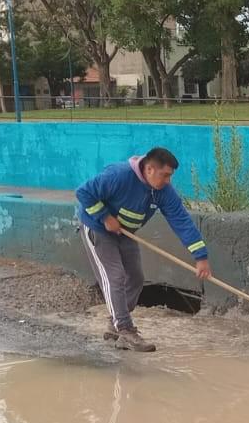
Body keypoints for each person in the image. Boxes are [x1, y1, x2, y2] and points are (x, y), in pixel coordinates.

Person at [76, 147, 212, 352]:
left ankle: (115, 322)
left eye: (170, 176)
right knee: (115, 277)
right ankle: (125, 330)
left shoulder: (163, 191)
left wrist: (200, 257)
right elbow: (83, 192)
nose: (168, 181)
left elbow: (181, 221)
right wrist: (105, 217)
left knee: (135, 277)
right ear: (149, 169)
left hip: (125, 232)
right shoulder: (118, 175)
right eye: (165, 175)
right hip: (98, 228)